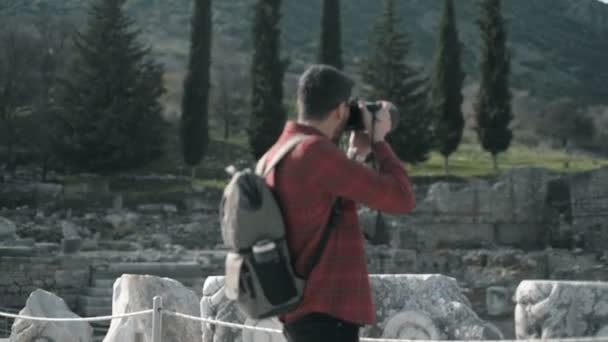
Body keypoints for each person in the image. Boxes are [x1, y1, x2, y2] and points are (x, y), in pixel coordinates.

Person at [260, 64, 416, 342]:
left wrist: (354, 156)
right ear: (341, 110)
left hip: (302, 310)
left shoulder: (279, 152)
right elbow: (402, 198)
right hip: (327, 313)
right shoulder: (315, 152)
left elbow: (325, 210)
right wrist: (379, 142)